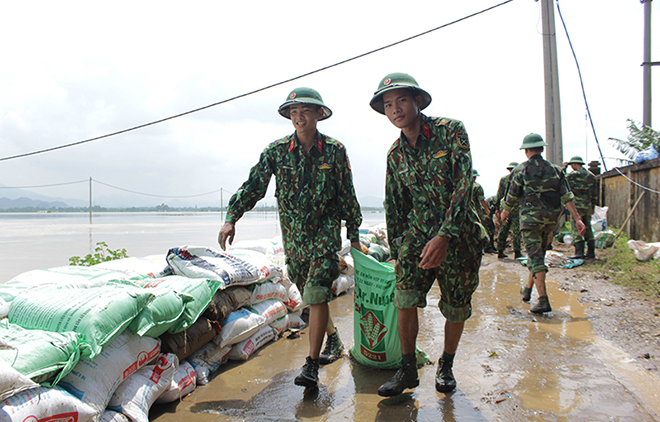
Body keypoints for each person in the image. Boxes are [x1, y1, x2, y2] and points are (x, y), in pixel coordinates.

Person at [218, 87, 363, 388]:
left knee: (318, 291)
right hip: (294, 238)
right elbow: (253, 186)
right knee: (308, 292)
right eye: (293, 112)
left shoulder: (335, 151)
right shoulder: (276, 151)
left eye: (305, 111)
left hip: (324, 235)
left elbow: (347, 194)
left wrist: (355, 234)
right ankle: (333, 341)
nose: (298, 116)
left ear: (319, 114)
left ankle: (310, 364)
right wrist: (232, 217)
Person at [368, 72, 486, 396]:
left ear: (417, 101)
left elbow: (465, 186)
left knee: (456, 305)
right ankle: (407, 369)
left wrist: (446, 235)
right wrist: (397, 248)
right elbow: (394, 204)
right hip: (418, 233)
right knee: (403, 294)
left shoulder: (451, 132)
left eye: (401, 100)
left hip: (459, 233)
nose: (395, 109)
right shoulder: (395, 155)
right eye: (388, 104)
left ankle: (446, 364)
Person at [501, 134, 586, 313]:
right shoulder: (556, 170)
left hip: (530, 222)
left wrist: (504, 213)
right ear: (541, 149)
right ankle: (528, 290)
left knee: (535, 257)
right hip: (550, 222)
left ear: (526, 151)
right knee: (537, 255)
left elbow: (511, 196)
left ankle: (543, 300)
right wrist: (577, 218)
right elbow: (567, 196)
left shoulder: (521, 170)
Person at [563, 156, 598, 259]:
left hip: (576, 206)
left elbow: (561, 178)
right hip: (587, 205)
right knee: (588, 228)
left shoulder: (572, 176)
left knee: (576, 228)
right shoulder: (591, 176)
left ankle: (579, 252)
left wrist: (564, 167)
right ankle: (591, 252)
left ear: (574, 164)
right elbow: (595, 194)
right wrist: (593, 206)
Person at [494, 162, 522, 259]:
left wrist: (497, 209)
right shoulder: (521, 179)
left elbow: (499, 195)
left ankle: (500, 251)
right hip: (516, 209)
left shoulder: (504, 179)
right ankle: (517, 252)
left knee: (503, 230)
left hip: (506, 208)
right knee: (516, 231)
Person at [472, 169, 495, 254]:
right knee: (488, 227)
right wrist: (486, 210)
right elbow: (482, 201)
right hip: (478, 211)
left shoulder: (465, 185)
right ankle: (488, 247)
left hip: (469, 211)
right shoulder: (477, 186)